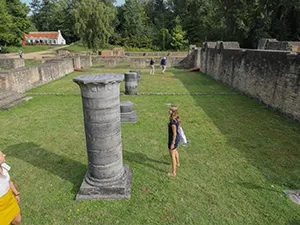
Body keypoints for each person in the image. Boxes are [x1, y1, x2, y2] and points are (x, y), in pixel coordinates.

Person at [0, 151, 22, 225]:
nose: (5, 155)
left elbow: (9, 181)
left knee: (17, 220)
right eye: (2, 155)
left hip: (9, 198)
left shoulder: (4, 166)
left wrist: (16, 193)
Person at [167, 105, 181, 177]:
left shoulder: (173, 122)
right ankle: (178, 163)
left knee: (172, 154)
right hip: (176, 138)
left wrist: (173, 143)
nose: (168, 110)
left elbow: (174, 133)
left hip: (173, 139)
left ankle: (173, 173)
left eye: (170, 110)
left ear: (173, 112)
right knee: (175, 150)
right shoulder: (176, 118)